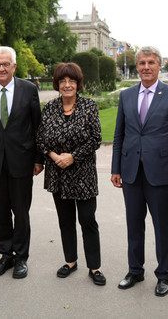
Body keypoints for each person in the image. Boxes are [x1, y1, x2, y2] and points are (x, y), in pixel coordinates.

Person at [111, 45, 168, 296]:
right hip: (131, 171)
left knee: (161, 227)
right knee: (134, 225)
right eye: (142, 63)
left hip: (162, 174)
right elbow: (119, 134)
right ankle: (135, 270)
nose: (146, 67)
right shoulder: (126, 95)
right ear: (137, 66)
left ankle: (163, 275)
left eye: (151, 63)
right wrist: (115, 168)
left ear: (159, 65)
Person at [0, 46, 44, 279]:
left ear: (14, 66)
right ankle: (6, 254)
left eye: (6, 64)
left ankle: (21, 257)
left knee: (21, 211)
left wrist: (38, 159)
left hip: (22, 161)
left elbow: (38, 127)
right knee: (1, 211)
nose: (1, 68)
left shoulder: (28, 89)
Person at [36, 62, 106, 286]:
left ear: (78, 83)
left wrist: (73, 156)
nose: (67, 85)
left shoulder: (88, 106)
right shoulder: (49, 108)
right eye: (63, 81)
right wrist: (55, 156)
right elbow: (40, 139)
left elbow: (95, 138)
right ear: (57, 84)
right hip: (58, 173)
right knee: (65, 220)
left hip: (83, 172)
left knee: (87, 219)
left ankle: (94, 267)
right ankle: (70, 261)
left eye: (72, 81)